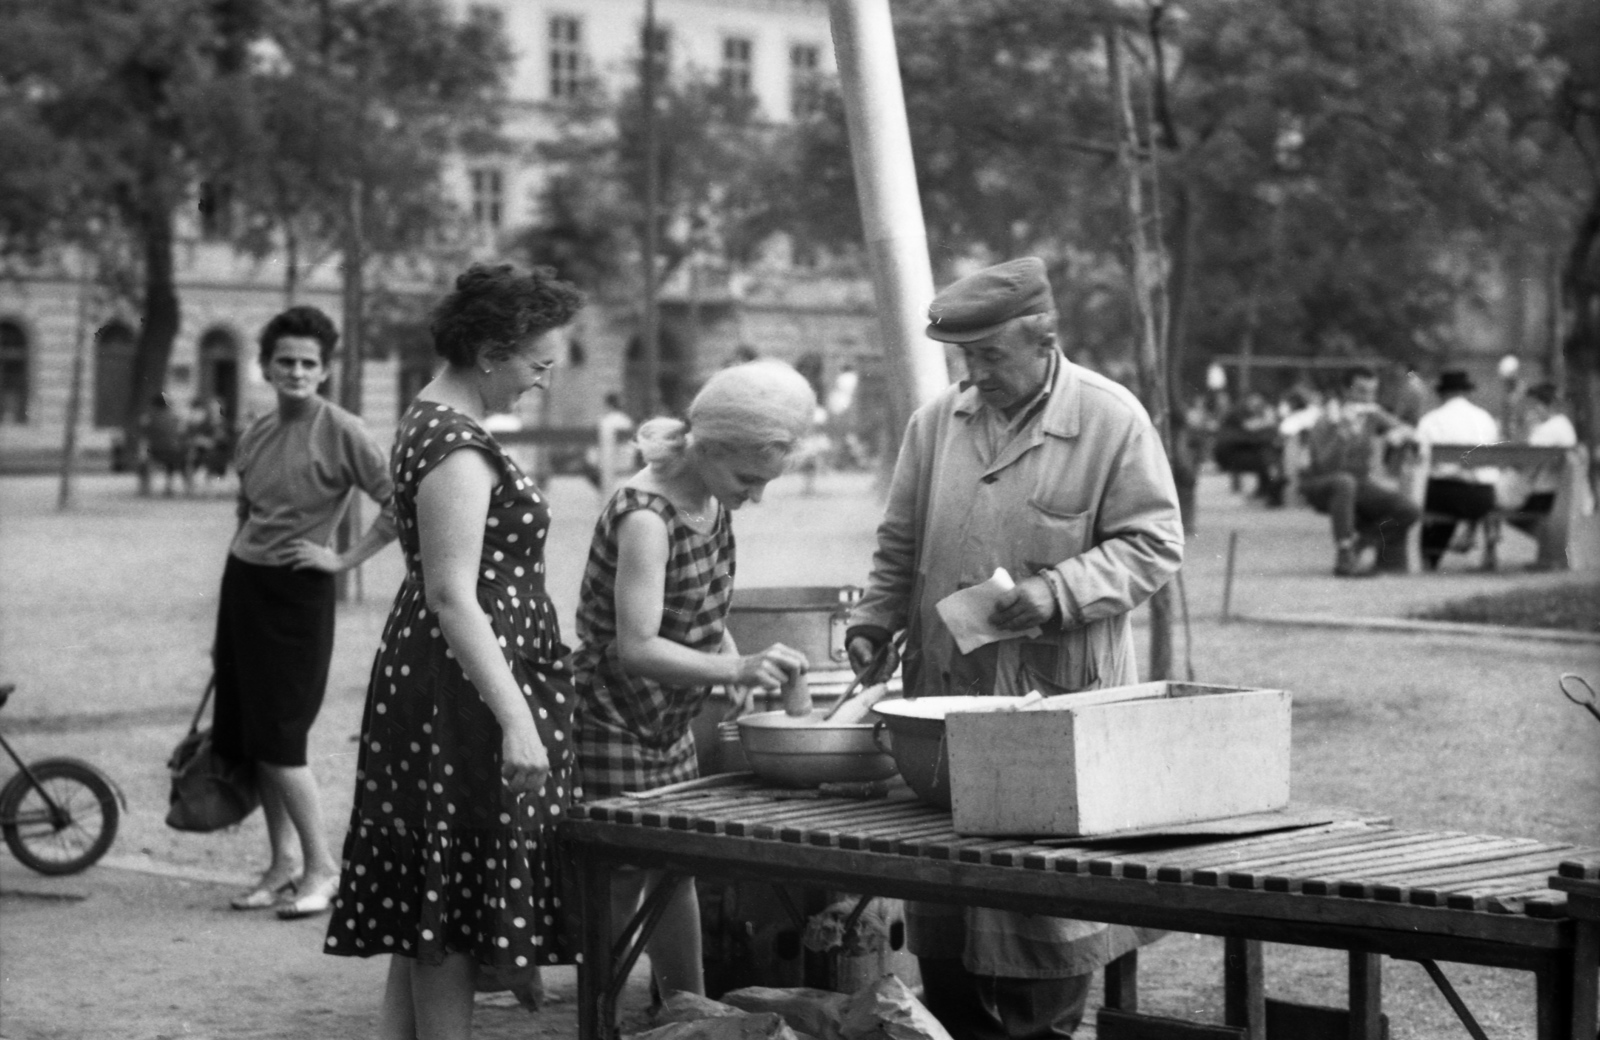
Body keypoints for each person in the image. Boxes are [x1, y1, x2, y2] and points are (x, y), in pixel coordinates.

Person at [844, 257, 1184, 1040]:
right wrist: (874, 617)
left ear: (1045, 338)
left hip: (1055, 703)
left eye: (990, 356)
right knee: (950, 909)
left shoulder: (1110, 417)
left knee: (1045, 917)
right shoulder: (937, 422)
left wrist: (1058, 592)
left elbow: (1155, 544)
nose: (976, 374)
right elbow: (899, 542)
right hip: (945, 706)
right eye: (966, 359)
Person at [322, 264, 585, 1038]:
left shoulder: (435, 422)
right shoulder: (456, 445)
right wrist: (519, 720)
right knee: (450, 911)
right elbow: (451, 595)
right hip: (460, 687)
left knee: (433, 907)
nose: (540, 382)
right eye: (537, 365)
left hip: (452, 675)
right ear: (491, 352)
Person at [572, 360, 815, 1002]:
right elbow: (638, 646)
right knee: (622, 877)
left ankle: (690, 1008)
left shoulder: (710, 501)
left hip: (668, 723)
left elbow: (704, 603)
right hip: (612, 718)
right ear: (707, 446)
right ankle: (605, 1011)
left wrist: (728, 649)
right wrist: (734, 668)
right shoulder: (646, 516)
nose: (754, 496)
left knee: (678, 867)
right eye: (749, 479)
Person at [215, 306, 398, 918]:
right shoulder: (256, 433)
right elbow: (248, 510)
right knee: (256, 737)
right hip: (244, 586)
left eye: (308, 363)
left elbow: (398, 504)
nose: (296, 371)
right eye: (285, 361)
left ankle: (323, 868)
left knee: (284, 739)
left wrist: (343, 560)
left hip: (299, 593)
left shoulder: (344, 429)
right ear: (266, 367)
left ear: (324, 371)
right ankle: (282, 863)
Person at [1296, 368, 1419, 576]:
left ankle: (1365, 542)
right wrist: (1343, 433)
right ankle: (1345, 552)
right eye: (1361, 391)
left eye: (1372, 392)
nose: (1368, 398)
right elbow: (1324, 465)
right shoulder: (1328, 417)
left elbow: (1407, 430)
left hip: (1358, 482)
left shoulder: (1372, 414)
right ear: (1346, 391)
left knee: (1408, 509)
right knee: (1345, 482)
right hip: (1321, 481)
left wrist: (1399, 434)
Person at [1416, 369, 1500, 570]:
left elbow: (1421, 458)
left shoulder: (1431, 420)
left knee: (1435, 487)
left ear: (1442, 394)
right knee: (1454, 487)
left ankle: (1431, 556)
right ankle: (1484, 546)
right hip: (1484, 497)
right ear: (1466, 392)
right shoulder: (1485, 418)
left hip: (1444, 497)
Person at [1504, 382, 1579, 535]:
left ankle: (1547, 539)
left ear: (1540, 405)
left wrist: (1522, 425)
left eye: (1532, 406)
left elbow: (1521, 461)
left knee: (1497, 500)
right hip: (1562, 493)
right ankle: (1547, 541)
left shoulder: (1548, 429)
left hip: (1546, 496)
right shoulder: (1563, 424)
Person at [1212, 391, 1286, 506]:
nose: (1257, 407)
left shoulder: (1245, 414)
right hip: (1230, 454)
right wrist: (1268, 420)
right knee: (1267, 458)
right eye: (1255, 403)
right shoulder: (1238, 414)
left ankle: (1267, 490)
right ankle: (1270, 489)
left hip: (1239, 450)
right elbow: (1250, 428)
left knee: (1266, 455)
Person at [138, 392, 194, 497]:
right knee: (175, 457)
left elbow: (144, 435)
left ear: (153, 404)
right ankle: (173, 487)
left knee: (145, 461)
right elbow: (182, 433)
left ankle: (144, 489)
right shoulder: (174, 416)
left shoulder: (149, 417)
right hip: (176, 452)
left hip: (156, 452)